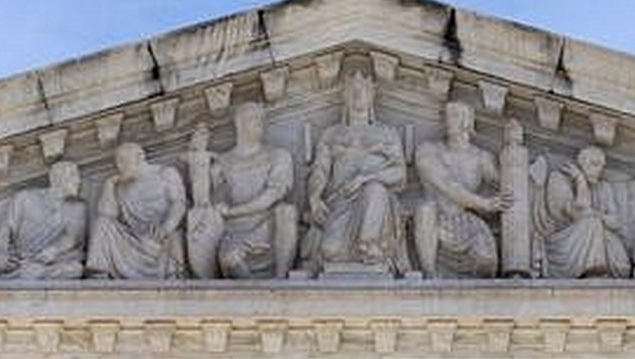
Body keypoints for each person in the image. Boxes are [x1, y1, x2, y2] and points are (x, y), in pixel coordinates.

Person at [304, 69, 408, 274]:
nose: (357, 94)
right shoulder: (332, 134)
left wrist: (365, 178)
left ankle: (369, 243)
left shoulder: (387, 133)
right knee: (330, 250)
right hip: (341, 200)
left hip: (377, 204)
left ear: (372, 95)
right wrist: (314, 197)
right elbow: (320, 170)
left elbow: (400, 174)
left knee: (375, 189)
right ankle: (358, 245)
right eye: (352, 89)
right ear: (344, 95)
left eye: (363, 89)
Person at [187, 103, 298, 279]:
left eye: (261, 118)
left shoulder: (278, 155)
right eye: (253, 118)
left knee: (287, 211)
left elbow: (273, 195)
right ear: (239, 123)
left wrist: (233, 211)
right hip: (234, 232)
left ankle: (281, 282)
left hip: (269, 229)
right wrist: (198, 155)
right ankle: (260, 293)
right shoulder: (222, 162)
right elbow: (211, 203)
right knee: (230, 258)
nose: (259, 123)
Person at [413, 102, 507, 278]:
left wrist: (520, 165)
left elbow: (506, 185)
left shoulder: (481, 158)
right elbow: (447, 186)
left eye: (454, 115)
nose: (448, 121)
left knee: (486, 261)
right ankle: (429, 276)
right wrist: (485, 203)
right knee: (425, 210)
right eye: (446, 116)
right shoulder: (428, 151)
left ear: (467, 120)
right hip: (436, 221)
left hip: (466, 223)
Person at [85, 142, 187, 279]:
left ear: (140, 157)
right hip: (131, 239)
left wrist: (166, 227)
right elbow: (107, 214)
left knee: (168, 238)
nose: (119, 166)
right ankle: (99, 273)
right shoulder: (121, 186)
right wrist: (109, 184)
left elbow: (179, 204)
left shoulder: (165, 173)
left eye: (123, 160)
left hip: (159, 237)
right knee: (103, 223)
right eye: (117, 162)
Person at [545, 146, 635, 278]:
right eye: (594, 164)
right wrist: (580, 180)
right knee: (592, 223)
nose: (599, 170)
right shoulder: (559, 179)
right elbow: (578, 211)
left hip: (600, 235)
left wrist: (598, 216)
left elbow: (615, 222)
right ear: (581, 163)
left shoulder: (604, 187)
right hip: (567, 239)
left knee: (621, 263)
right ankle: (594, 270)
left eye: (601, 166)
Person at [0, 161, 88, 279]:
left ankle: (30, 272)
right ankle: (26, 272)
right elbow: (5, 229)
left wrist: (53, 251)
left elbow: (72, 239)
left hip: (53, 261)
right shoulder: (25, 198)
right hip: (22, 258)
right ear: (56, 178)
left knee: (75, 269)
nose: (78, 181)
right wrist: (0, 255)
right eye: (73, 175)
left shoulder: (78, 208)